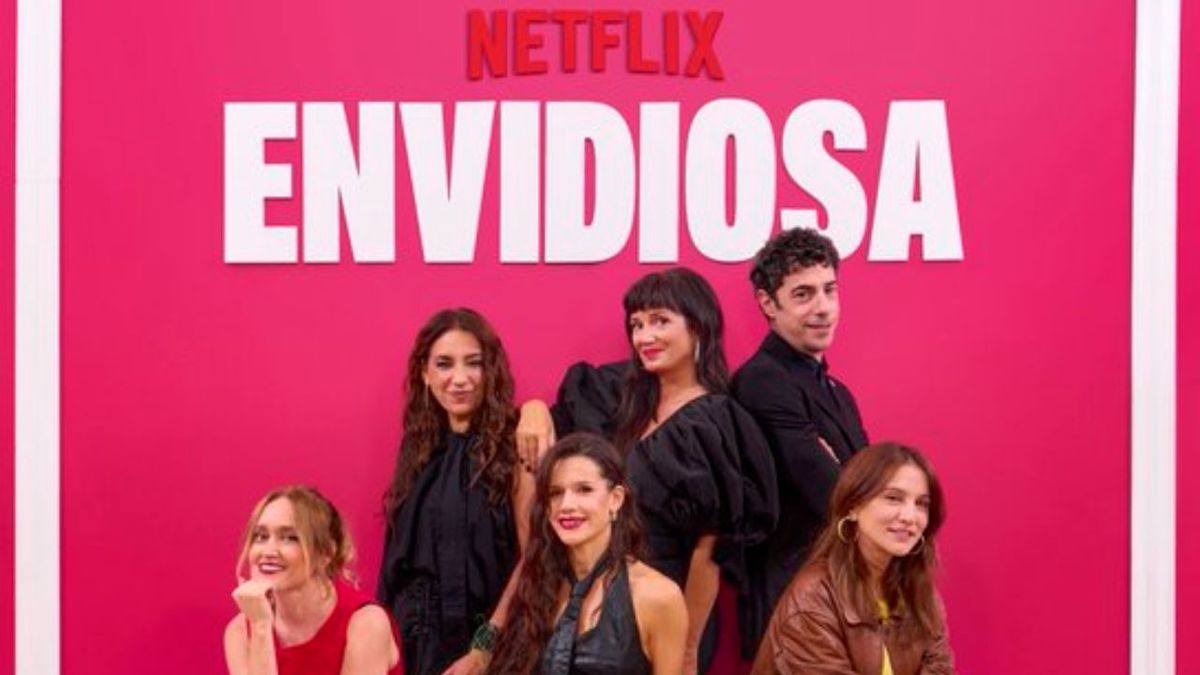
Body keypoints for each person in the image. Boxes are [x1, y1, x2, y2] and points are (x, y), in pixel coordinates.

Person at [521, 268, 778, 673]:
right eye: (637, 324)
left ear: (698, 326)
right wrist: (532, 408)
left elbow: (711, 551)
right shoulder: (618, 395)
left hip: (665, 609)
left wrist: (688, 646)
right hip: (592, 602)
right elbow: (558, 440)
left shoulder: (716, 421)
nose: (644, 336)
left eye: (660, 321)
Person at [732, 228, 870, 653]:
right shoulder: (762, 381)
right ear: (768, 304)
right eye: (803, 294)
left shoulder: (838, 392)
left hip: (844, 595)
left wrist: (859, 482)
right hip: (793, 603)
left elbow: (870, 487)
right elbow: (833, 495)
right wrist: (856, 481)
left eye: (830, 290)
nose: (823, 307)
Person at [377, 308, 536, 675]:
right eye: (444, 364)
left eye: (473, 363)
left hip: (488, 641)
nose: (459, 379)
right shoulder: (417, 448)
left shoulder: (515, 445)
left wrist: (485, 647)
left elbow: (535, 557)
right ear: (425, 373)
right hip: (410, 643)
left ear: (491, 370)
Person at [487, 433, 687, 674]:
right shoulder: (539, 583)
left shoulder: (658, 596)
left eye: (584, 490)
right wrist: (479, 651)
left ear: (616, 499)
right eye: (555, 493)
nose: (566, 505)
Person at [752, 442, 955, 675]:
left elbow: (940, 669)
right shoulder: (814, 595)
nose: (910, 517)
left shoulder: (920, 592)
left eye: (922, 504)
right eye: (893, 498)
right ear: (853, 506)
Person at [223, 485, 401, 675]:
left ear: (326, 553)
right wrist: (260, 628)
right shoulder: (241, 631)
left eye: (290, 538)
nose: (268, 551)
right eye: (261, 536)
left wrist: (259, 626)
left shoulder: (367, 623)